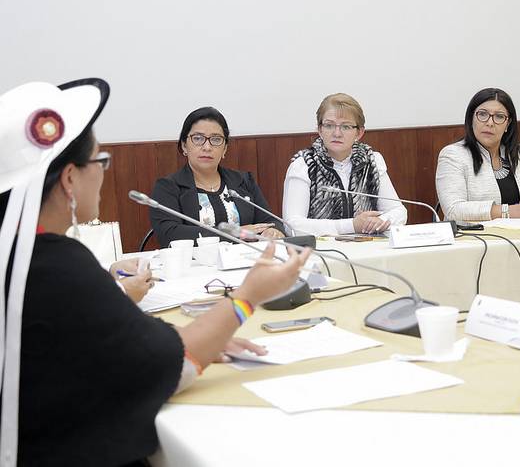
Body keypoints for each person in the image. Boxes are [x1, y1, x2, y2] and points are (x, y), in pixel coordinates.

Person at [0, 79, 310, 466]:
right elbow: (169, 366)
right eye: (100, 161)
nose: (103, 172)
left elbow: (111, 339)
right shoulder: (61, 266)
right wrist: (247, 298)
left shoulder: (23, 253)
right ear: (69, 179)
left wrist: (200, 334)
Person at [151, 107, 285, 247]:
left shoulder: (243, 181)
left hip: (245, 259)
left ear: (224, 148)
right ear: (184, 146)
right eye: (198, 138)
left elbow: (271, 221)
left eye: (216, 139)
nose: (207, 147)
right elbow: (170, 234)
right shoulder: (167, 187)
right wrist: (234, 233)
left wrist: (273, 231)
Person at [282, 93, 407, 235]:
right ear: (320, 130)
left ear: (359, 133)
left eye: (346, 127)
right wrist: (351, 225)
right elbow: (292, 225)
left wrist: (380, 221)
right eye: (329, 125)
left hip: (368, 245)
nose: (337, 133)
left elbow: (399, 211)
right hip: (321, 248)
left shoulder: (372, 161)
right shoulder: (304, 165)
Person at [435, 87, 520, 221]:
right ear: (471, 118)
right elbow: (453, 209)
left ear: (507, 124)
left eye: (499, 116)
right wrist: (507, 211)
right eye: (482, 114)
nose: (490, 123)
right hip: (473, 233)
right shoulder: (453, 155)